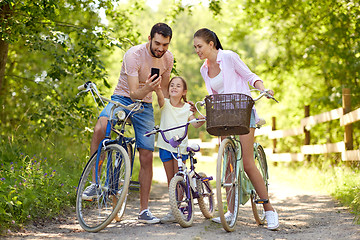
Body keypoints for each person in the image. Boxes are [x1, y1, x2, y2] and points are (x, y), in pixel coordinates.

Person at [82, 23, 174, 224]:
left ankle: (143, 211)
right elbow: (133, 93)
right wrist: (148, 87)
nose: (161, 48)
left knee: (148, 155)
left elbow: (165, 90)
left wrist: (169, 98)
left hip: (145, 105)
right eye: (157, 43)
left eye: (165, 45)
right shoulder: (133, 55)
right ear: (149, 39)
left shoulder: (168, 58)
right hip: (122, 99)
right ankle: (95, 183)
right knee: (101, 126)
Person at [193, 28, 279, 230]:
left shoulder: (229, 58)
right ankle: (230, 210)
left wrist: (263, 88)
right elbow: (214, 95)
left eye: (200, 46)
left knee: (248, 163)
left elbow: (250, 77)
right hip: (222, 115)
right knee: (227, 164)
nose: (197, 50)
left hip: (242, 111)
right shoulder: (204, 69)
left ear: (211, 44)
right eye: (195, 47)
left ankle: (269, 210)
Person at [154, 76, 205, 223]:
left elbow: (196, 124)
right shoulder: (165, 103)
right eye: (172, 85)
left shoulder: (187, 108)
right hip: (165, 146)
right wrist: (157, 86)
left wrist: (200, 115)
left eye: (178, 86)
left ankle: (177, 209)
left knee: (179, 180)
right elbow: (159, 93)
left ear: (184, 91)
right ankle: (175, 208)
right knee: (171, 181)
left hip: (180, 149)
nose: (174, 88)